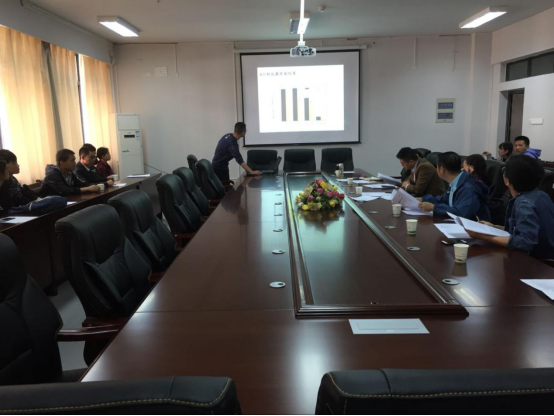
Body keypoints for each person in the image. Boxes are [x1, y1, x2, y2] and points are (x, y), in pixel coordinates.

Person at [466, 156, 554, 260]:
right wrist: (493, 227)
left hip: (540, 263)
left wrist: (481, 236)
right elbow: (521, 229)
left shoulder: (524, 203)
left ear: (507, 180)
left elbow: (525, 242)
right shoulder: (541, 195)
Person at [419, 152, 491, 221]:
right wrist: (422, 200)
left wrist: (434, 208)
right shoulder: (456, 182)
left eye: (436, 167)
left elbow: (460, 213)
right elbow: (442, 200)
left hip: (474, 226)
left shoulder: (468, 188)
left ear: (442, 169)